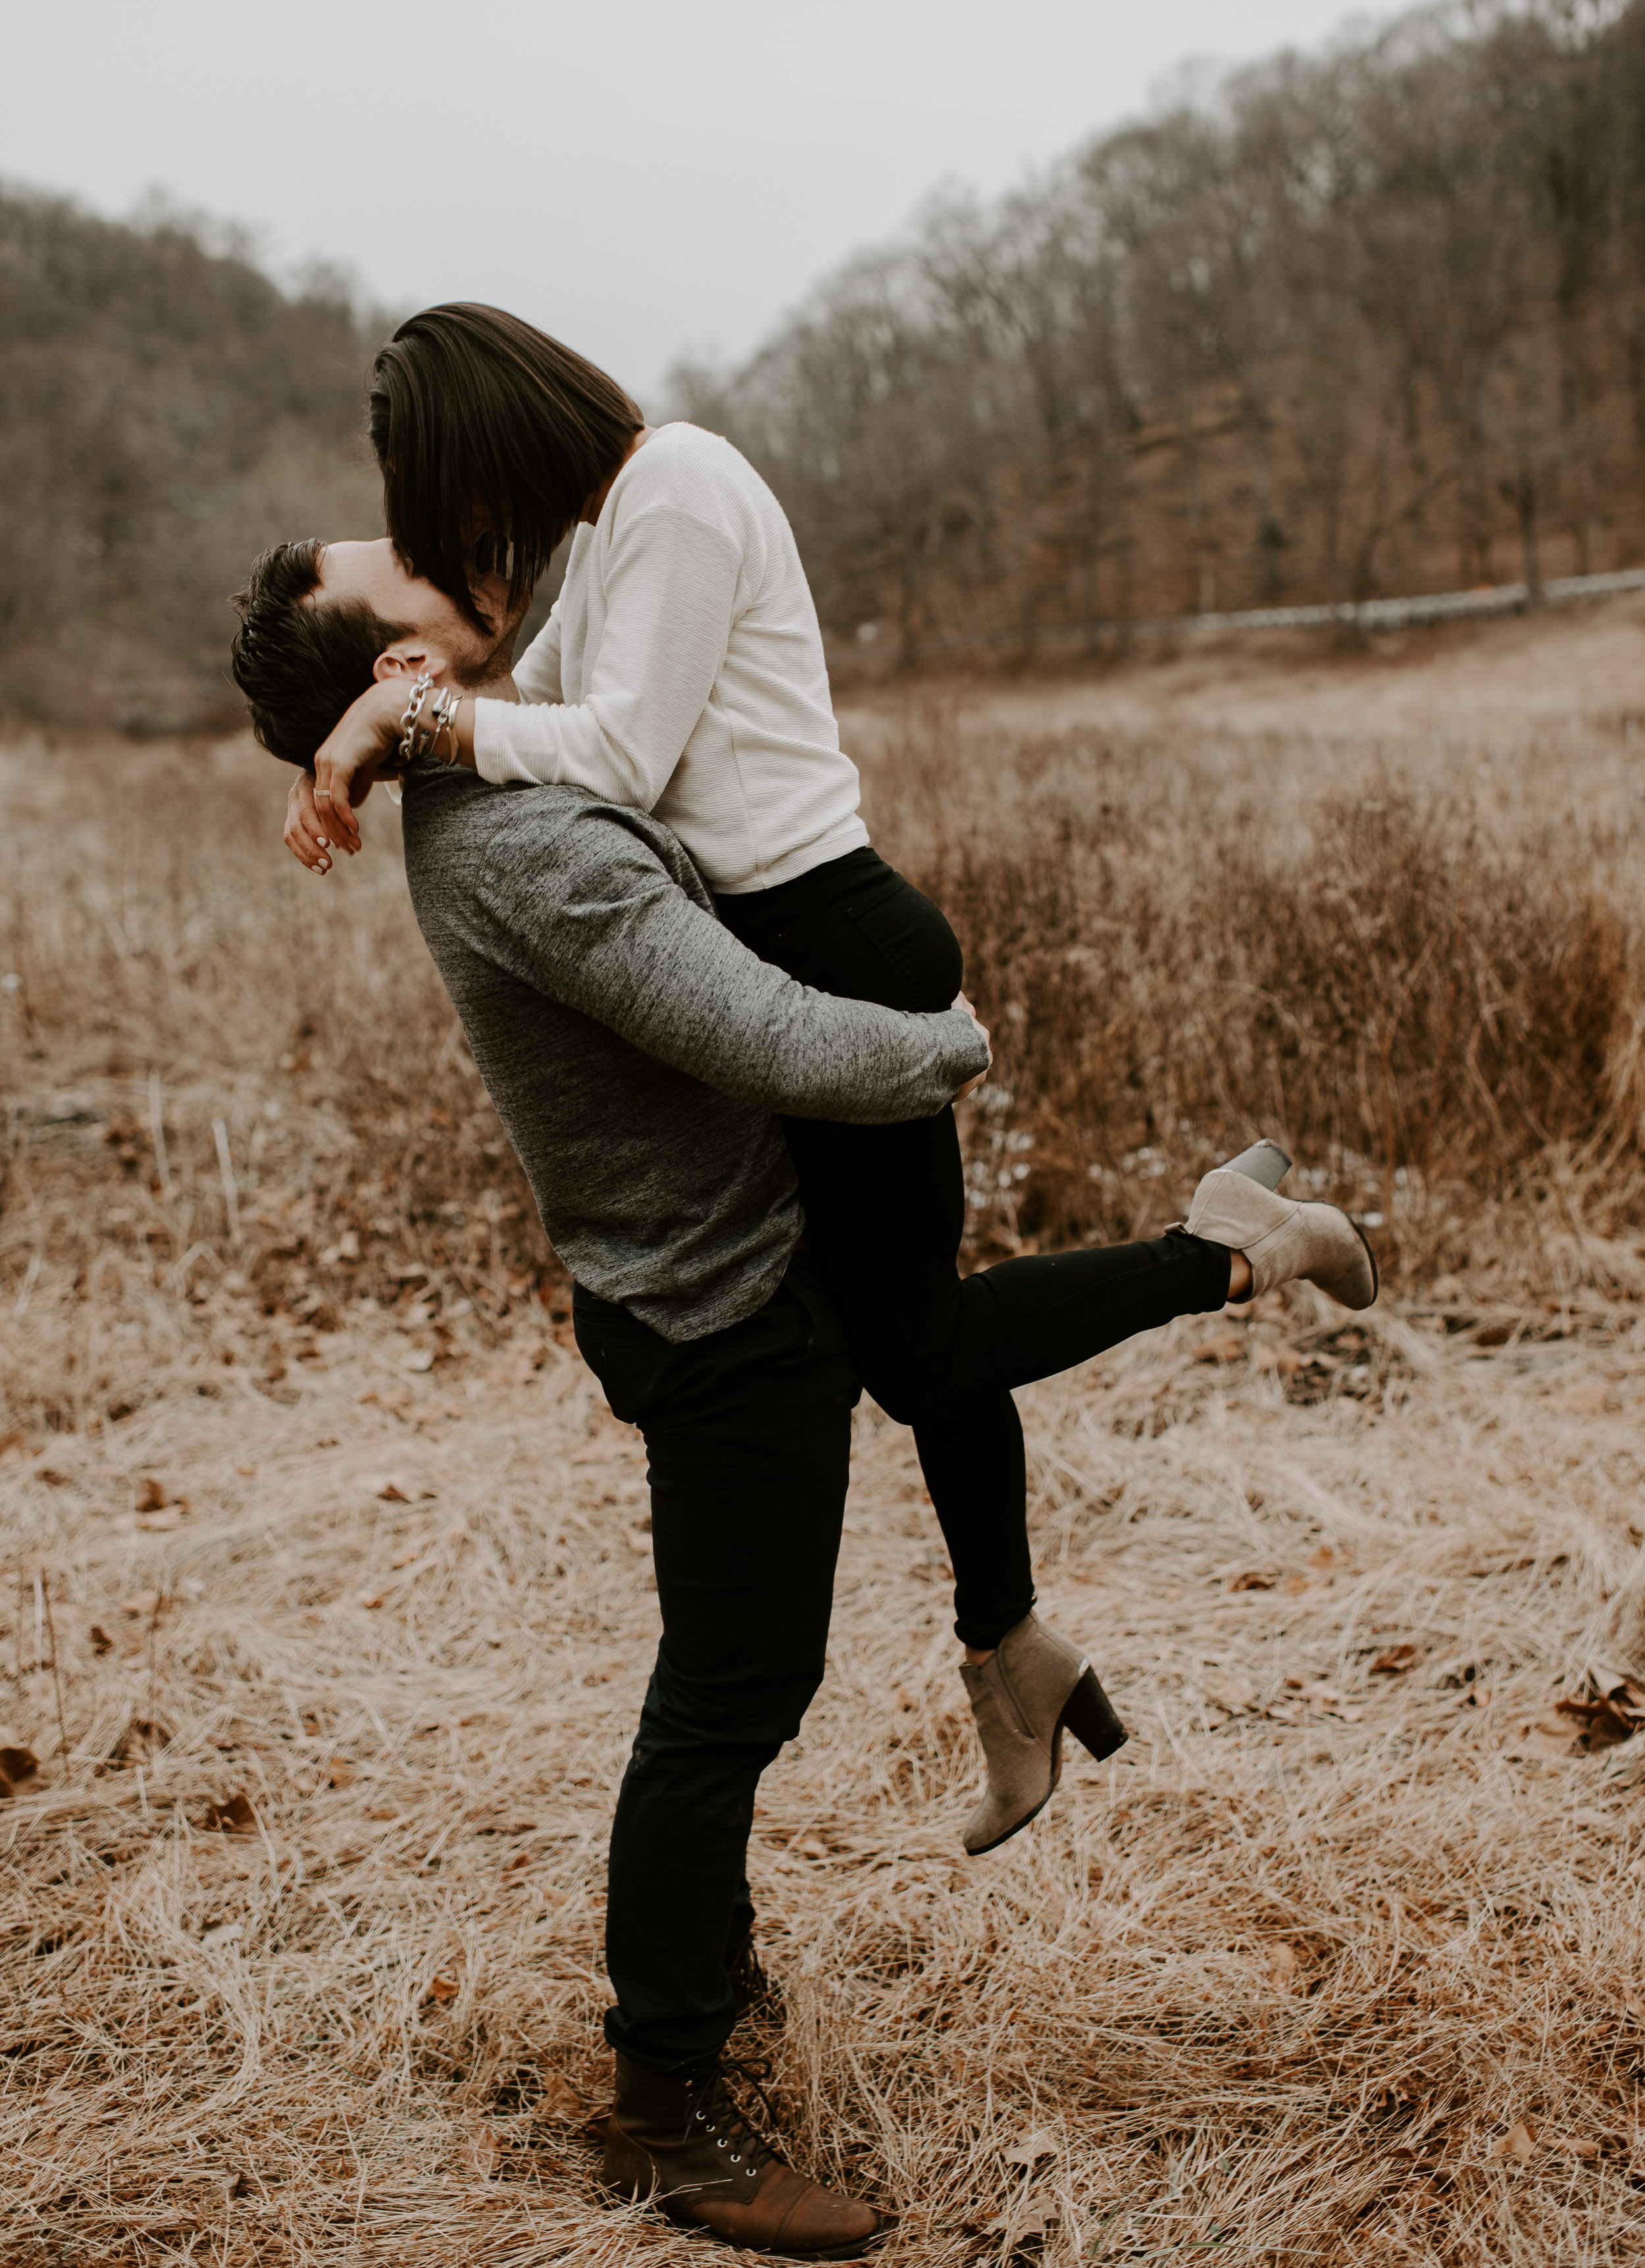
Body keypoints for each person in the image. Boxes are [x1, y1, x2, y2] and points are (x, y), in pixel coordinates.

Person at [230, 559, 1371, 2252]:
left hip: (728, 1265)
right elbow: (770, 1037)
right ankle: (664, 2104)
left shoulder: (506, 772)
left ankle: (1203, 1282)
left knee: (929, 1363)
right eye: (398, 569)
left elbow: (582, 694)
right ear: (402, 654)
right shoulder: (523, 849)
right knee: (732, 1688)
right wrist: (950, 1042)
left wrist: (380, 714)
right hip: (714, 1310)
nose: (450, 554)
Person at [264, 301, 1377, 1861]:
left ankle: (1234, 1251)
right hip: (778, 954)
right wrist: (391, 714)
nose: (452, 535)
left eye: (440, 495)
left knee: (916, 1350)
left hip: (837, 947)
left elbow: (625, 755)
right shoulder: (601, 542)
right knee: (913, 1330)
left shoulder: (679, 487)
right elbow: (544, 729)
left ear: (491, 443)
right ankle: (1012, 1654)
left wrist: (412, 710)